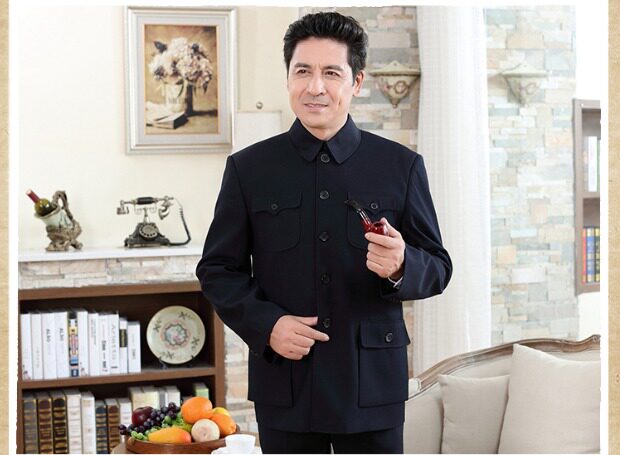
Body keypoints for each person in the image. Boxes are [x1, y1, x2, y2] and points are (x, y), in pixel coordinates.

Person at [196, 11, 452, 454]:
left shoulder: (400, 166)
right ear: (288, 78)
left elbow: (439, 267)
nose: (315, 87)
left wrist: (401, 265)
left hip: (372, 389)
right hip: (286, 385)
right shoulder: (248, 169)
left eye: (331, 73)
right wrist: (268, 324)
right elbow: (218, 270)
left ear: (356, 82)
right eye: (303, 71)